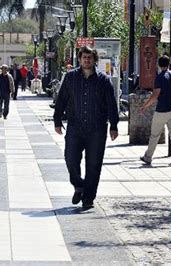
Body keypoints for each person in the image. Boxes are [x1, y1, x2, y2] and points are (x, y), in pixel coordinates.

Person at [53, 46, 119, 210]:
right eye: (84, 57)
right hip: (75, 127)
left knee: (94, 164)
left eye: (90, 57)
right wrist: (57, 119)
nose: (87, 60)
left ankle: (88, 198)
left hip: (97, 128)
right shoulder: (70, 77)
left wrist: (114, 125)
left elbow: (112, 103)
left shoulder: (104, 80)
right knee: (70, 158)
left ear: (94, 59)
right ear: (80, 59)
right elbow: (61, 99)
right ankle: (79, 185)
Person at [139, 55, 171, 167]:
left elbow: (155, 95)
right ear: (168, 64)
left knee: (155, 135)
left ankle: (148, 157)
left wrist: (145, 106)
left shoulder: (159, 78)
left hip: (162, 111)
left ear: (159, 64)